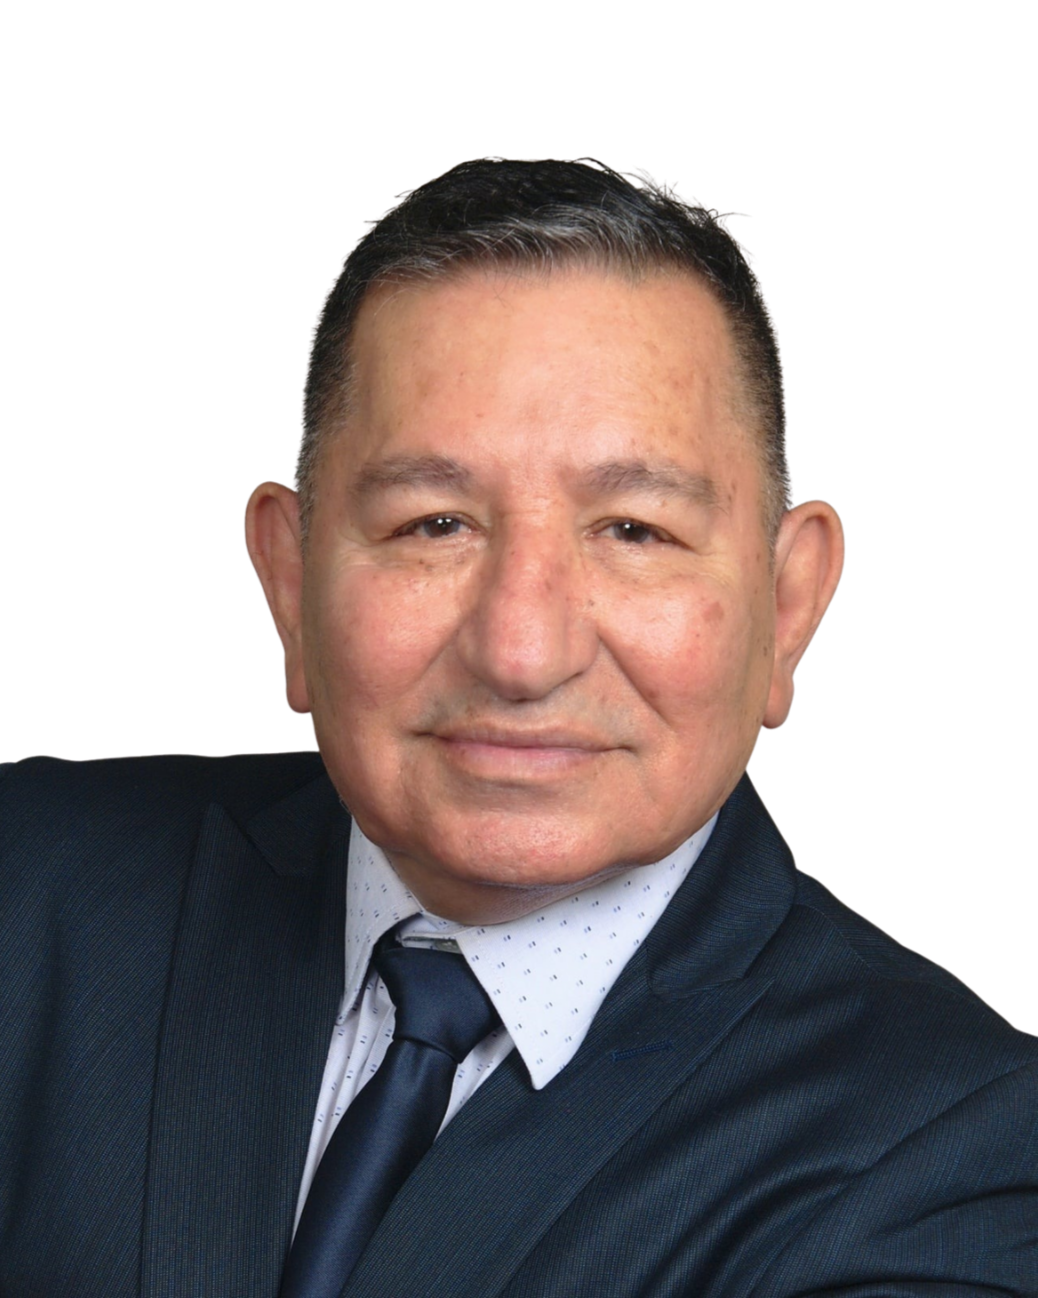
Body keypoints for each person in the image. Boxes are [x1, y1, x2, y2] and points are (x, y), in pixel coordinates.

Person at [2, 158, 1035, 1297]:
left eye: (634, 529)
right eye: (433, 522)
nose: (523, 650)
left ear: (791, 605)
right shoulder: (28, 887)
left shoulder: (955, 1151)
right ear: (287, 578)